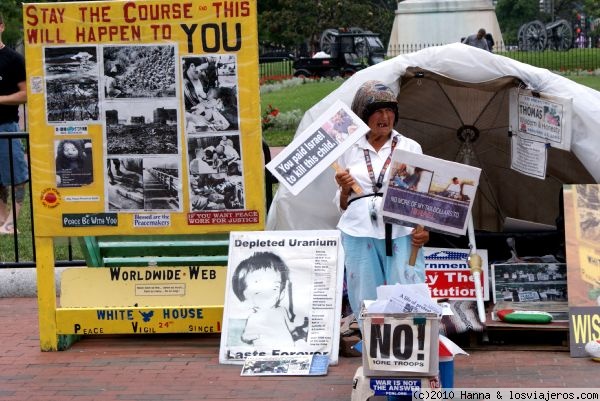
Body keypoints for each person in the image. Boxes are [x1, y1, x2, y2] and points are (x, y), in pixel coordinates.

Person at [333, 80, 429, 318]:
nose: (384, 117)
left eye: (389, 111)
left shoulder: (409, 146)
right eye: (377, 111)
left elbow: (421, 195)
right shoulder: (348, 149)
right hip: (358, 229)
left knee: (407, 289)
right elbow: (343, 205)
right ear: (363, 116)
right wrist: (344, 189)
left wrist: (423, 229)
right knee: (364, 293)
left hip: (401, 230)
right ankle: (372, 344)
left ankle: (409, 346)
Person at [231, 251, 308, 348]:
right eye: (258, 292)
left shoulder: (282, 311)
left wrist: (299, 326)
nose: (267, 295)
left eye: (274, 289)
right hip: (267, 352)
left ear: (281, 294)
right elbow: (246, 337)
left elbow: (291, 327)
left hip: (288, 349)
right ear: (245, 300)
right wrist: (252, 336)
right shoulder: (254, 318)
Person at [0, 13, 28, 235]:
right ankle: (2, 220)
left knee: (17, 177)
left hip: (6, 126)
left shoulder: (13, 59)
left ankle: (12, 223)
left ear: (1, 27)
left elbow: (26, 94)